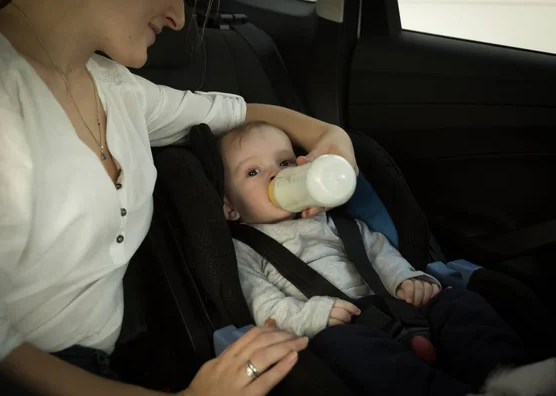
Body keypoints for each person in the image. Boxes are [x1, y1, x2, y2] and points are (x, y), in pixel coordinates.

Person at [0, 0, 358, 394]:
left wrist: (329, 135)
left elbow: (235, 114)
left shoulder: (116, 88)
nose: (180, 18)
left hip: (112, 363)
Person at [219, 121, 533, 395]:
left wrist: (406, 279)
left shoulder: (338, 223)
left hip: (398, 306)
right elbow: (263, 305)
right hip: (340, 328)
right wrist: (313, 316)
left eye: (286, 163)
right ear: (229, 206)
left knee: (458, 304)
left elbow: (379, 253)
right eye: (253, 171)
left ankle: (512, 377)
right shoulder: (244, 249)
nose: (276, 175)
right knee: (345, 351)